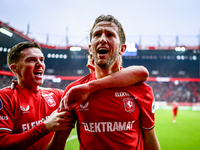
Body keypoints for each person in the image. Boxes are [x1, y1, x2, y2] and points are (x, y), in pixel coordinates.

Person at [0, 41, 149, 150]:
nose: (40, 64)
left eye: (42, 60)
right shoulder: (5, 98)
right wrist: (45, 127)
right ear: (15, 68)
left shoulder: (57, 95)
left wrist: (95, 72)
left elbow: (140, 73)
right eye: (32, 60)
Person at [47, 14, 160, 150]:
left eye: (110, 35)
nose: (102, 39)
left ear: (122, 49)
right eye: (97, 35)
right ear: (90, 48)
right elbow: (57, 144)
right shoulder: (74, 91)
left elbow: (150, 142)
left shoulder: (142, 91)